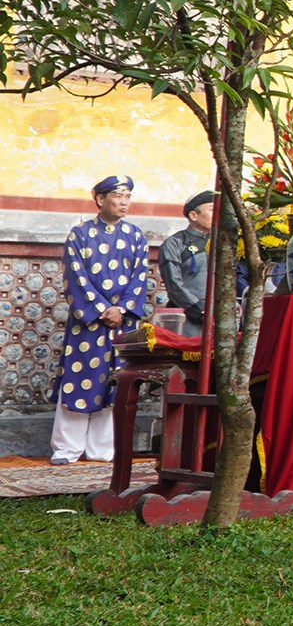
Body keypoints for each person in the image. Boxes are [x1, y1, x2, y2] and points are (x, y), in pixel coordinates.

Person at [51, 175, 150, 465]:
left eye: (128, 197)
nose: (124, 202)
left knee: (115, 381)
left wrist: (122, 310)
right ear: (100, 199)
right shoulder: (79, 234)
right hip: (89, 323)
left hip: (123, 322)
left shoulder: (136, 236)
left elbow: (140, 278)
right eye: (118, 196)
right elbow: (75, 277)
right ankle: (67, 449)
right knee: (79, 379)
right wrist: (102, 308)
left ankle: (102, 449)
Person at [160, 191, 217, 334]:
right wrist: (200, 309)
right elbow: (173, 285)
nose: (218, 214)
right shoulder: (175, 243)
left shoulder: (223, 243)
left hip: (220, 318)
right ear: (193, 215)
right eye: (212, 209)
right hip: (187, 318)